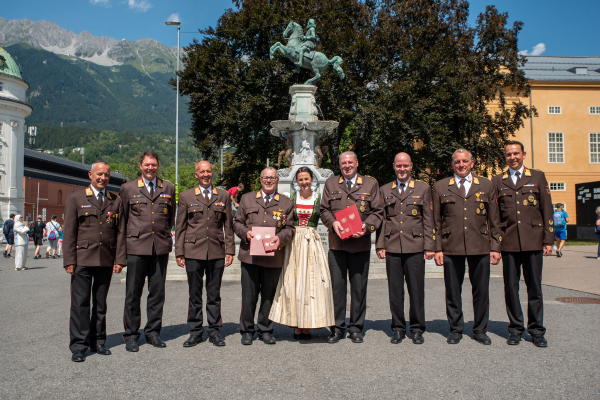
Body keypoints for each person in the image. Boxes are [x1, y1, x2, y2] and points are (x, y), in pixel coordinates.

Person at [432, 149, 502, 345]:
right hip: (451, 246)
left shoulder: (487, 185)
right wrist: (437, 248)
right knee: (453, 290)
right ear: (452, 165)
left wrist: (495, 247)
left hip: (480, 245)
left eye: (464, 161)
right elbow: (436, 221)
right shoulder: (440, 186)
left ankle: (480, 329)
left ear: (472, 163)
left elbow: (494, 220)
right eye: (457, 162)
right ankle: (455, 329)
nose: (461, 165)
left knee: (481, 290)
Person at [492, 141, 553, 348]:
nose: (513, 157)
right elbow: (495, 216)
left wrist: (548, 239)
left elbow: (547, 209)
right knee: (511, 288)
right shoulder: (498, 180)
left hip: (534, 241)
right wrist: (495, 245)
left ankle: (536, 330)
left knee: (534, 288)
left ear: (524, 154)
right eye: (509, 154)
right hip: (508, 243)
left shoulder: (537, 176)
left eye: (516, 153)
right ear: (505, 157)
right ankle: (516, 329)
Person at [63, 161, 126, 362]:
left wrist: (119, 259)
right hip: (82, 259)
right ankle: (79, 346)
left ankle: (98, 341)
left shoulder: (115, 200)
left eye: (106, 175)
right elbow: (70, 231)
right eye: (99, 174)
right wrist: (69, 260)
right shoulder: (76, 198)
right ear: (90, 175)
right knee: (80, 304)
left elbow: (120, 232)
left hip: (106, 259)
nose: (102, 178)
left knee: (100, 304)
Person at [320, 151, 383, 344]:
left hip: (360, 245)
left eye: (350, 162)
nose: (347, 166)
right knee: (337, 290)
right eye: (343, 163)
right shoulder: (331, 183)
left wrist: (366, 227)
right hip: (337, 245)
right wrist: (333, 224)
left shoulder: (370, 184)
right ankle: (337, 328)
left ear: (357, 163)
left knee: (358, 289)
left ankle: (356, 327)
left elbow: (378, 212)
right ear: (340, 165)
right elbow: (324, 210)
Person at [376, 153, 435, 345]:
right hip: (392, 246)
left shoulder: (423, 188)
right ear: (394, 166)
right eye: (399, 166)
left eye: (405, 166)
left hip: (415, 246)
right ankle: (398, 328)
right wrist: (380, 244)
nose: (402, 169)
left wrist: (429, 246)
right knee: (395, 291)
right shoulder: (385, 189)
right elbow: (383, 219)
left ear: (411, 166)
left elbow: (428, 219)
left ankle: (417, 329)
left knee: (416, 291)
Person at [269, 167, 335, 340]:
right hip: (294, 243)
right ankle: (297, 325)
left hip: (312, 242)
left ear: (312, 179)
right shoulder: (291, 199)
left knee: (313, 282)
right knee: (294, 282)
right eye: (300, 180)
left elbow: (329, 215)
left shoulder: (319, 198)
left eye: (306, 179)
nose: (304, 182)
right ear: (296, 181)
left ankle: (309, 324)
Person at [120, 151, 176, 352]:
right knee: (133, 294)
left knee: (157, 294)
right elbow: (123, 221)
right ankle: (132, 335)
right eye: (146, 165)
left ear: (158, 165)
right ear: (140, 166)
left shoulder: (168, 187)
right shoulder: (128, 188)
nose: (150, 168)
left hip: (159, 248)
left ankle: (153, 332)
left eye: (153, 164)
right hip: (136, 248)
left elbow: (170, 218)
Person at [175, 161, 235, 347]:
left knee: (214, 293)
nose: (206, 174)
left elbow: (228, 226)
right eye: (202, 172)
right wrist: (179, 251)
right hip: (193, 251)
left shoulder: (223, 196)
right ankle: (195, 331)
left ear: (212, 173)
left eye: (208, 171)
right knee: (194, 294)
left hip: (216, 251)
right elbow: (180, 226)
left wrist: (230, 250)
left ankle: (215, 330)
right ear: (196, 175)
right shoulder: (186, 196)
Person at [233, 167, 294, 345]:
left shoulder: (285, 202)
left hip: (272, 256)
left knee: (269, 295)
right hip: (250, 256)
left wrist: (279, 239)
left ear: (277, 181)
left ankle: (265, 329)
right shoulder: (247, 198)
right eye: (266, 178)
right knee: (248, 295)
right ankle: (247, 330)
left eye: (272, 178)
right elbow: (237, 223)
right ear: (260, 180)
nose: (268, 181)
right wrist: (246, 233)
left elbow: (290, 228)